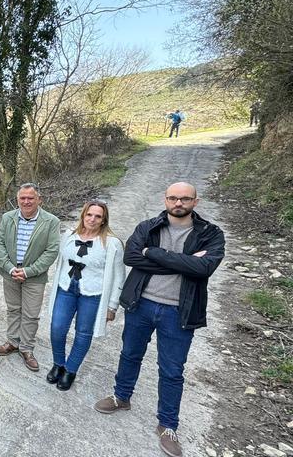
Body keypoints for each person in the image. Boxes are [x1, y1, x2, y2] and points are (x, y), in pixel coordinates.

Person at [94, 182, 225, 457]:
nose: (179, 203)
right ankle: (122, 396)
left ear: (195, 202)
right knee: (129, 354)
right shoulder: (148, 226)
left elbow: (204, 268)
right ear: (165, 199)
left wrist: (151, 253)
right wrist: (184, 261)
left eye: (185, 199)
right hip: (140, 304)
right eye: (173, 198)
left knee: (172, 370)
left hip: (179, 311)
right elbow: (131, 257)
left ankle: (167, 425)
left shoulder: (210, 234)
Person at [45, 200, 125, 391]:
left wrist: (112, 305)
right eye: (89, 214)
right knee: (57, 327)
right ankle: (59, 363)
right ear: (83, 215)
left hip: (92, 293)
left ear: (104, 219)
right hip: (66, 288)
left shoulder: (112, 244)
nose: (92, 219)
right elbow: (60, 262)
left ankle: (71, 369)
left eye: (98, 216)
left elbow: (119, 276)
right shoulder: (69, 235)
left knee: (83, 332)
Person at [0, 183, 60, 372]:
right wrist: (9, 267)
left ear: (39, 199)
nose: (26, 201)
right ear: (17, 199)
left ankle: (26, 349)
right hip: (10, 273)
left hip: (34, 277)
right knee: (13, 309)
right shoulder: (7, 218)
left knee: (30, 314)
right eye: (22, 198)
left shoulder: (51, 221)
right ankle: (13, 342)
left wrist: (29, 271)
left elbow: (51, 251)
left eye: (31, 198)